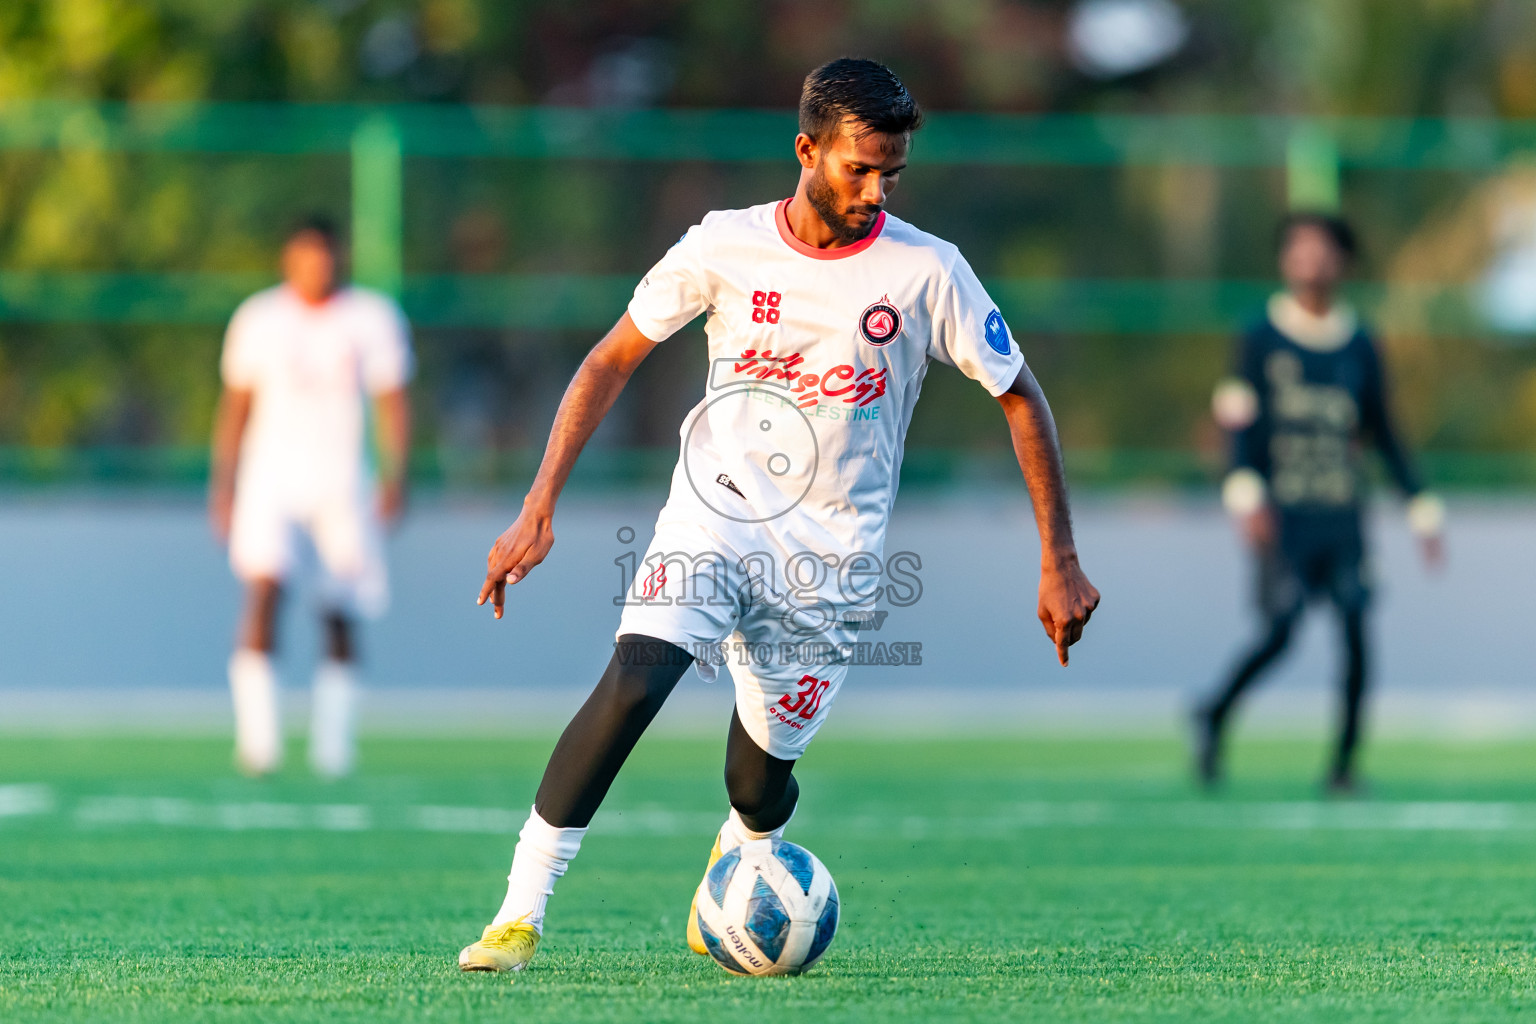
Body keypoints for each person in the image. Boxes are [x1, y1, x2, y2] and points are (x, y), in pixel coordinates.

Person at [456, 58, 1100, 973]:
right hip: (712, 520)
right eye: (857, 169)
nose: (875, 191)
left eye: (892, 173)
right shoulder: (724, 244)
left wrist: (1058, 558)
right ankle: (517, 916)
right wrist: (538, 505)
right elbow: (610, 359)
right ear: (807, 151)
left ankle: (743, 851)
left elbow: (1021, 397)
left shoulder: (927, 272)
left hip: (830, 562)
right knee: (636, 679)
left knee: (756, 786)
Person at [1194, 212, 1444, 794]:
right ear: (1285, 259)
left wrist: (1422, 506)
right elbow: (1237, 423)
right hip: (1283, 518)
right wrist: (1244, 493)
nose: (1310, 258)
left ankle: (1343, 766)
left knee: (1357, 632)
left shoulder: (1361, 344)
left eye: (1323, 248)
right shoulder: (1259, 337)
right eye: (1299, 247)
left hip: (1342, 517)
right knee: (1280, 631)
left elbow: (1385, 430)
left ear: (1344, 262)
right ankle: (1215, 714)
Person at [209, 217, 413, 779]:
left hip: (342, 481)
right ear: (287, 260)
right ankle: (258, 744)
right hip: (269, 479)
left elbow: (391, 400)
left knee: (341, 610)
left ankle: (333, 747)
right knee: (263, 590)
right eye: (305, 258)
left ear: (338, 258)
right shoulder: (259, 318)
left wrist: (395, 474)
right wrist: (222, 484)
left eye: (324, 257)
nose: (315, 268)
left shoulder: (370, 317)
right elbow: (236, 406)